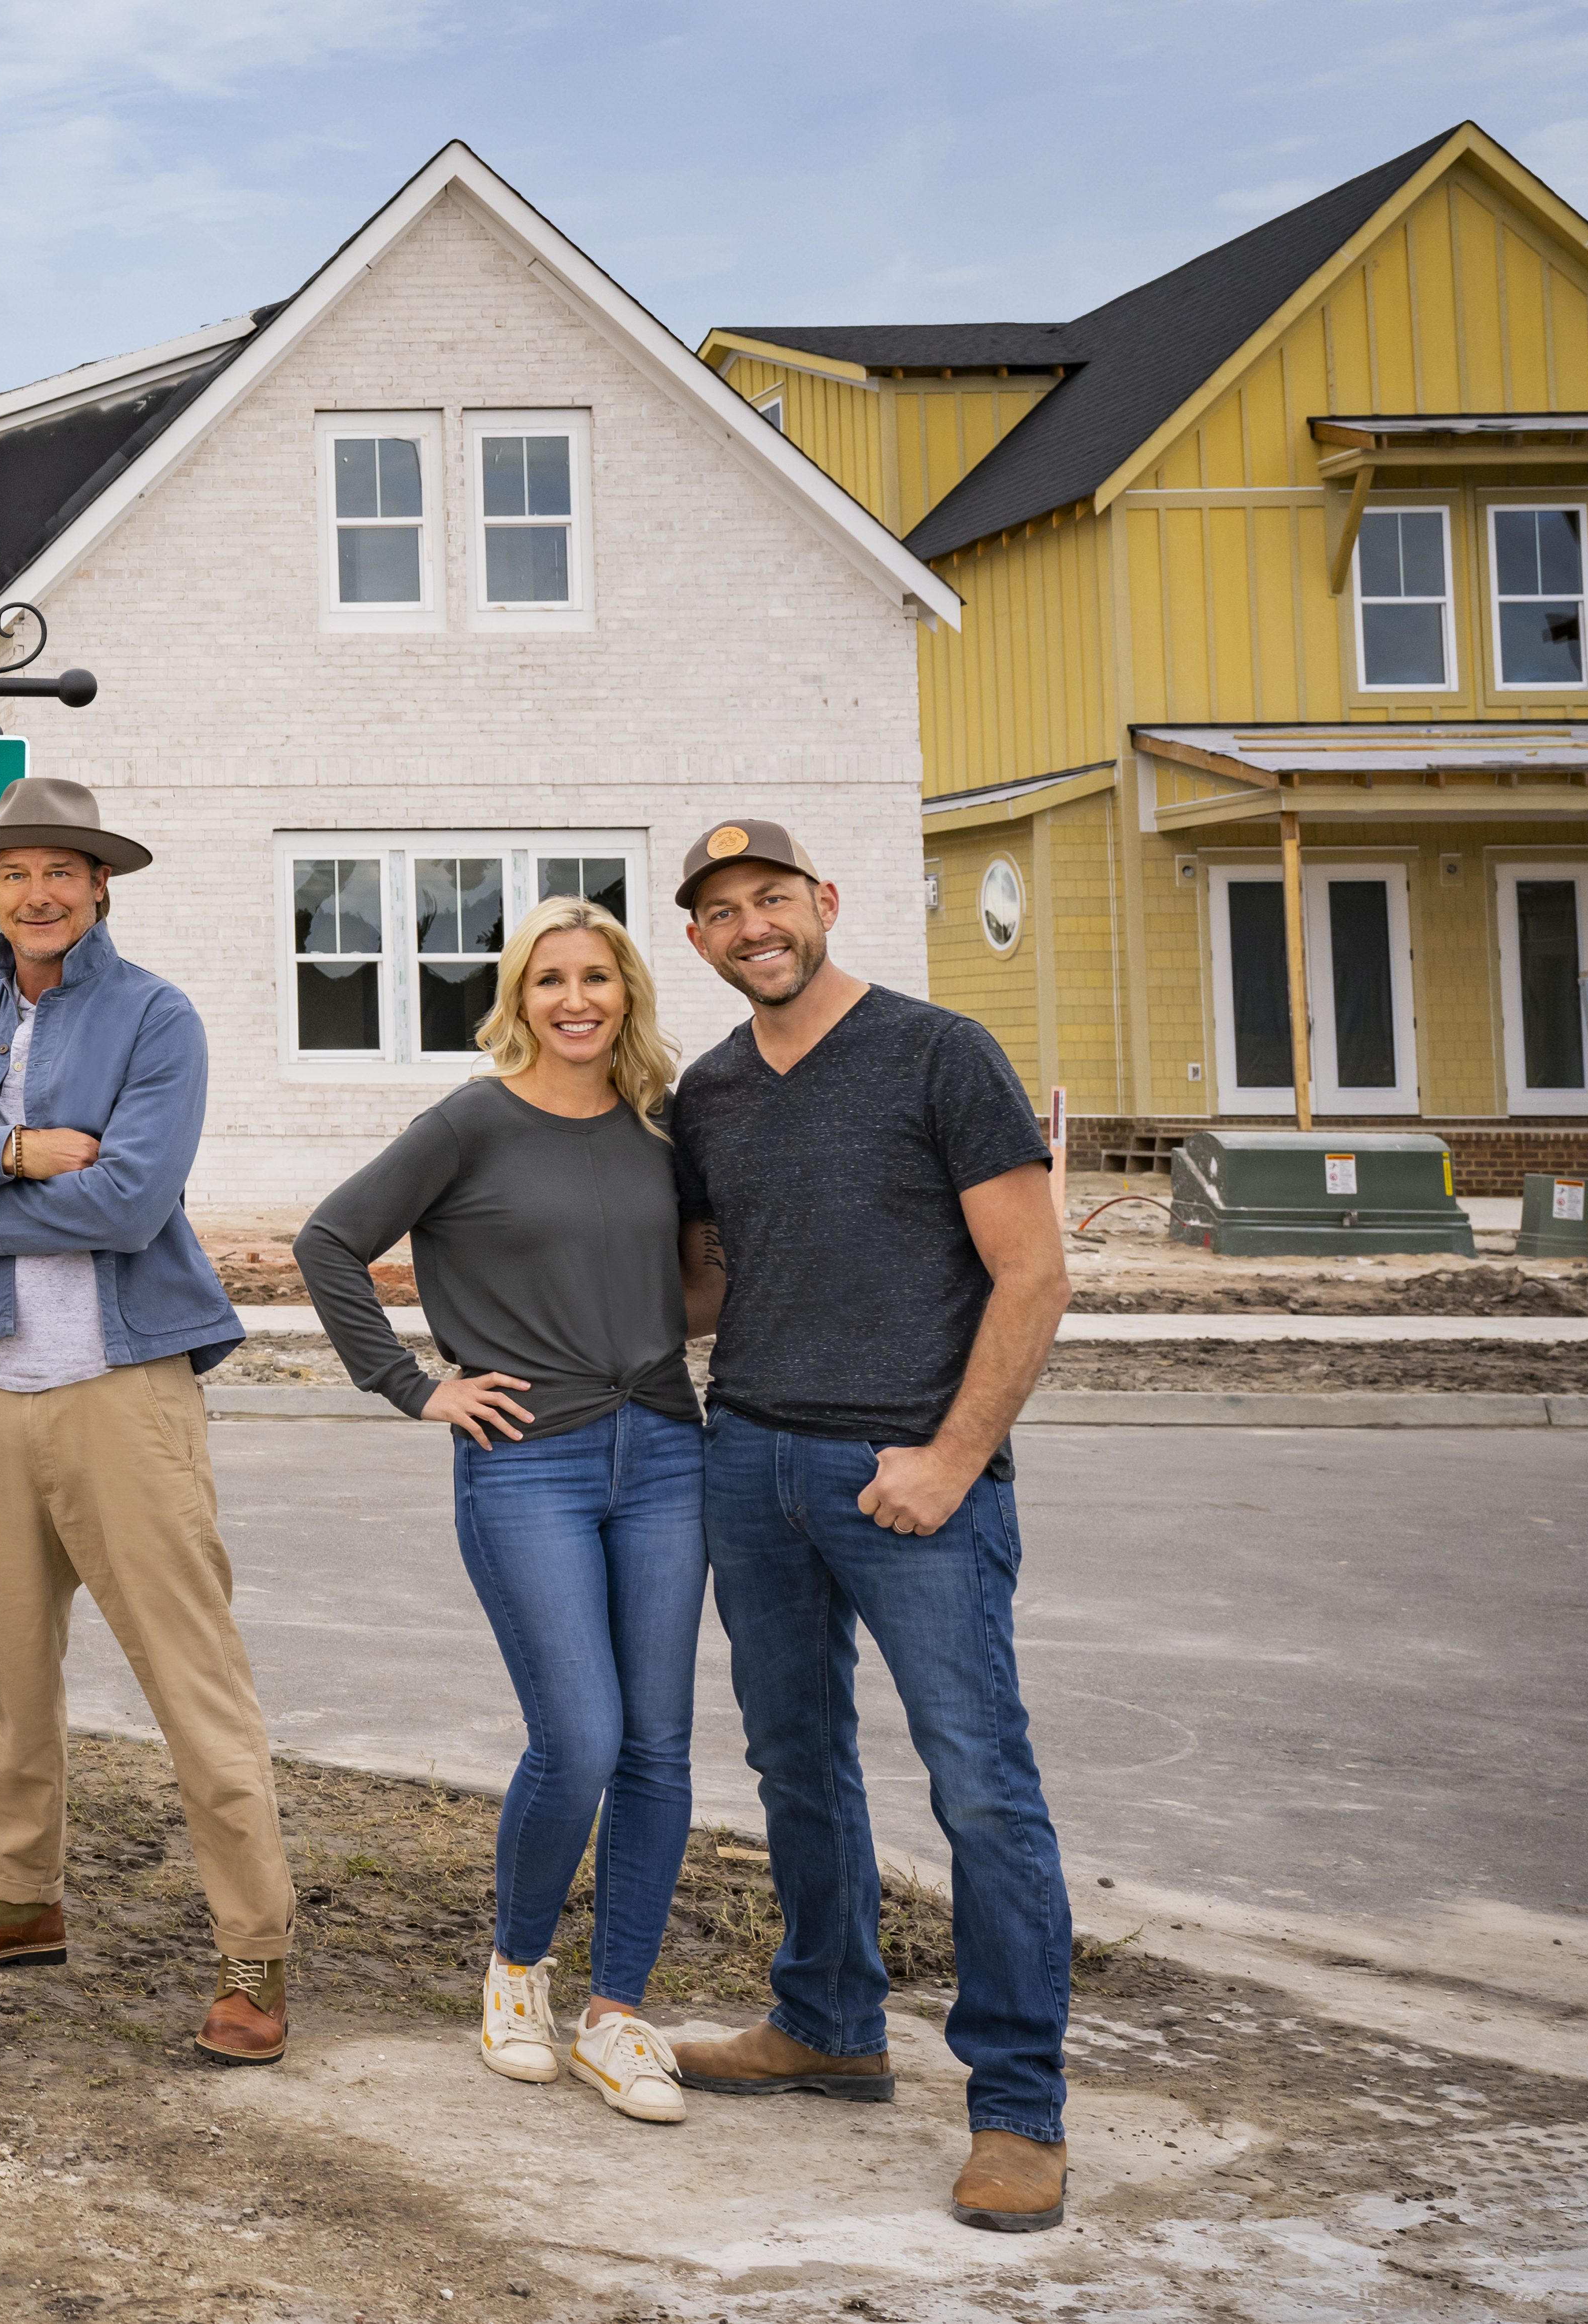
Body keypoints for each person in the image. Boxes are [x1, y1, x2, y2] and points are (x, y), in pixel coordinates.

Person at [656, 818, 1076, 2233]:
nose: (751, 925)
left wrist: (955, 1459)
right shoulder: (709, 1093)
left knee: (980, 1784)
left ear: (823, 903)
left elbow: (1034, 1271)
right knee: (796, 1761)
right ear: (699, 942)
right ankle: (828, 2018)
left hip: (914, 1476)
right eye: (721, 911)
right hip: (752, 1459)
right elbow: (713, 1287)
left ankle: (1017, 2104)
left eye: (771, 897)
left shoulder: (939, 1052)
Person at [0, 778, 292, 2069]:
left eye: (63, 870)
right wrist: (16, 1152)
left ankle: (256, 1953)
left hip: (121, 1378)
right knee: (11, 1669)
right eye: (16, 871)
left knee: (189, 1670)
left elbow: (126, 1204)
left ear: (101, 886)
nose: (37, 893)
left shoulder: (157, 1016)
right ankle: (19, 1898)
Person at [295, 895, 701, 2124]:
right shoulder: (469, 1122)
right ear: (517, 998)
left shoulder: (659, 1129)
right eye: (549, 980)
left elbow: (691, 1278)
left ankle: (619, 2014)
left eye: (598, 977)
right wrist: (416, 1386)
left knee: (658, 1747)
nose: (576, 1000)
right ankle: (516, 1975)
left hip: (669, 1453)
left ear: (628, 991)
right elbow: (328, 1243)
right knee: (577, 1735)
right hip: (528, 1459)